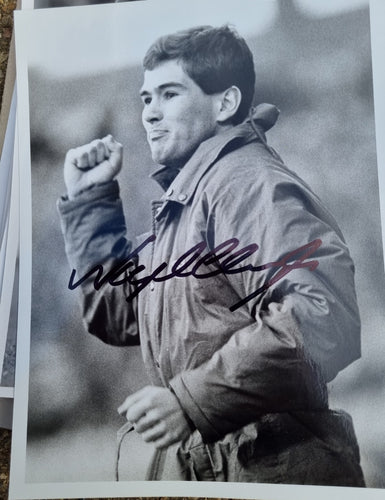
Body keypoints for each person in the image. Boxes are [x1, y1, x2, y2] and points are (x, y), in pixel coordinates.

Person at [58, 25, 365, 485]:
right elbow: (120, 315)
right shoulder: (192, 200)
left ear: (224, 103)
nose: (150, 115)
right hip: (228, 467)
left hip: (276, 471)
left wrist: (190, 400)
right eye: (146, 99)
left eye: (169, 94)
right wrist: (91, 201)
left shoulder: (244, 185)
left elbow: (324, 318)